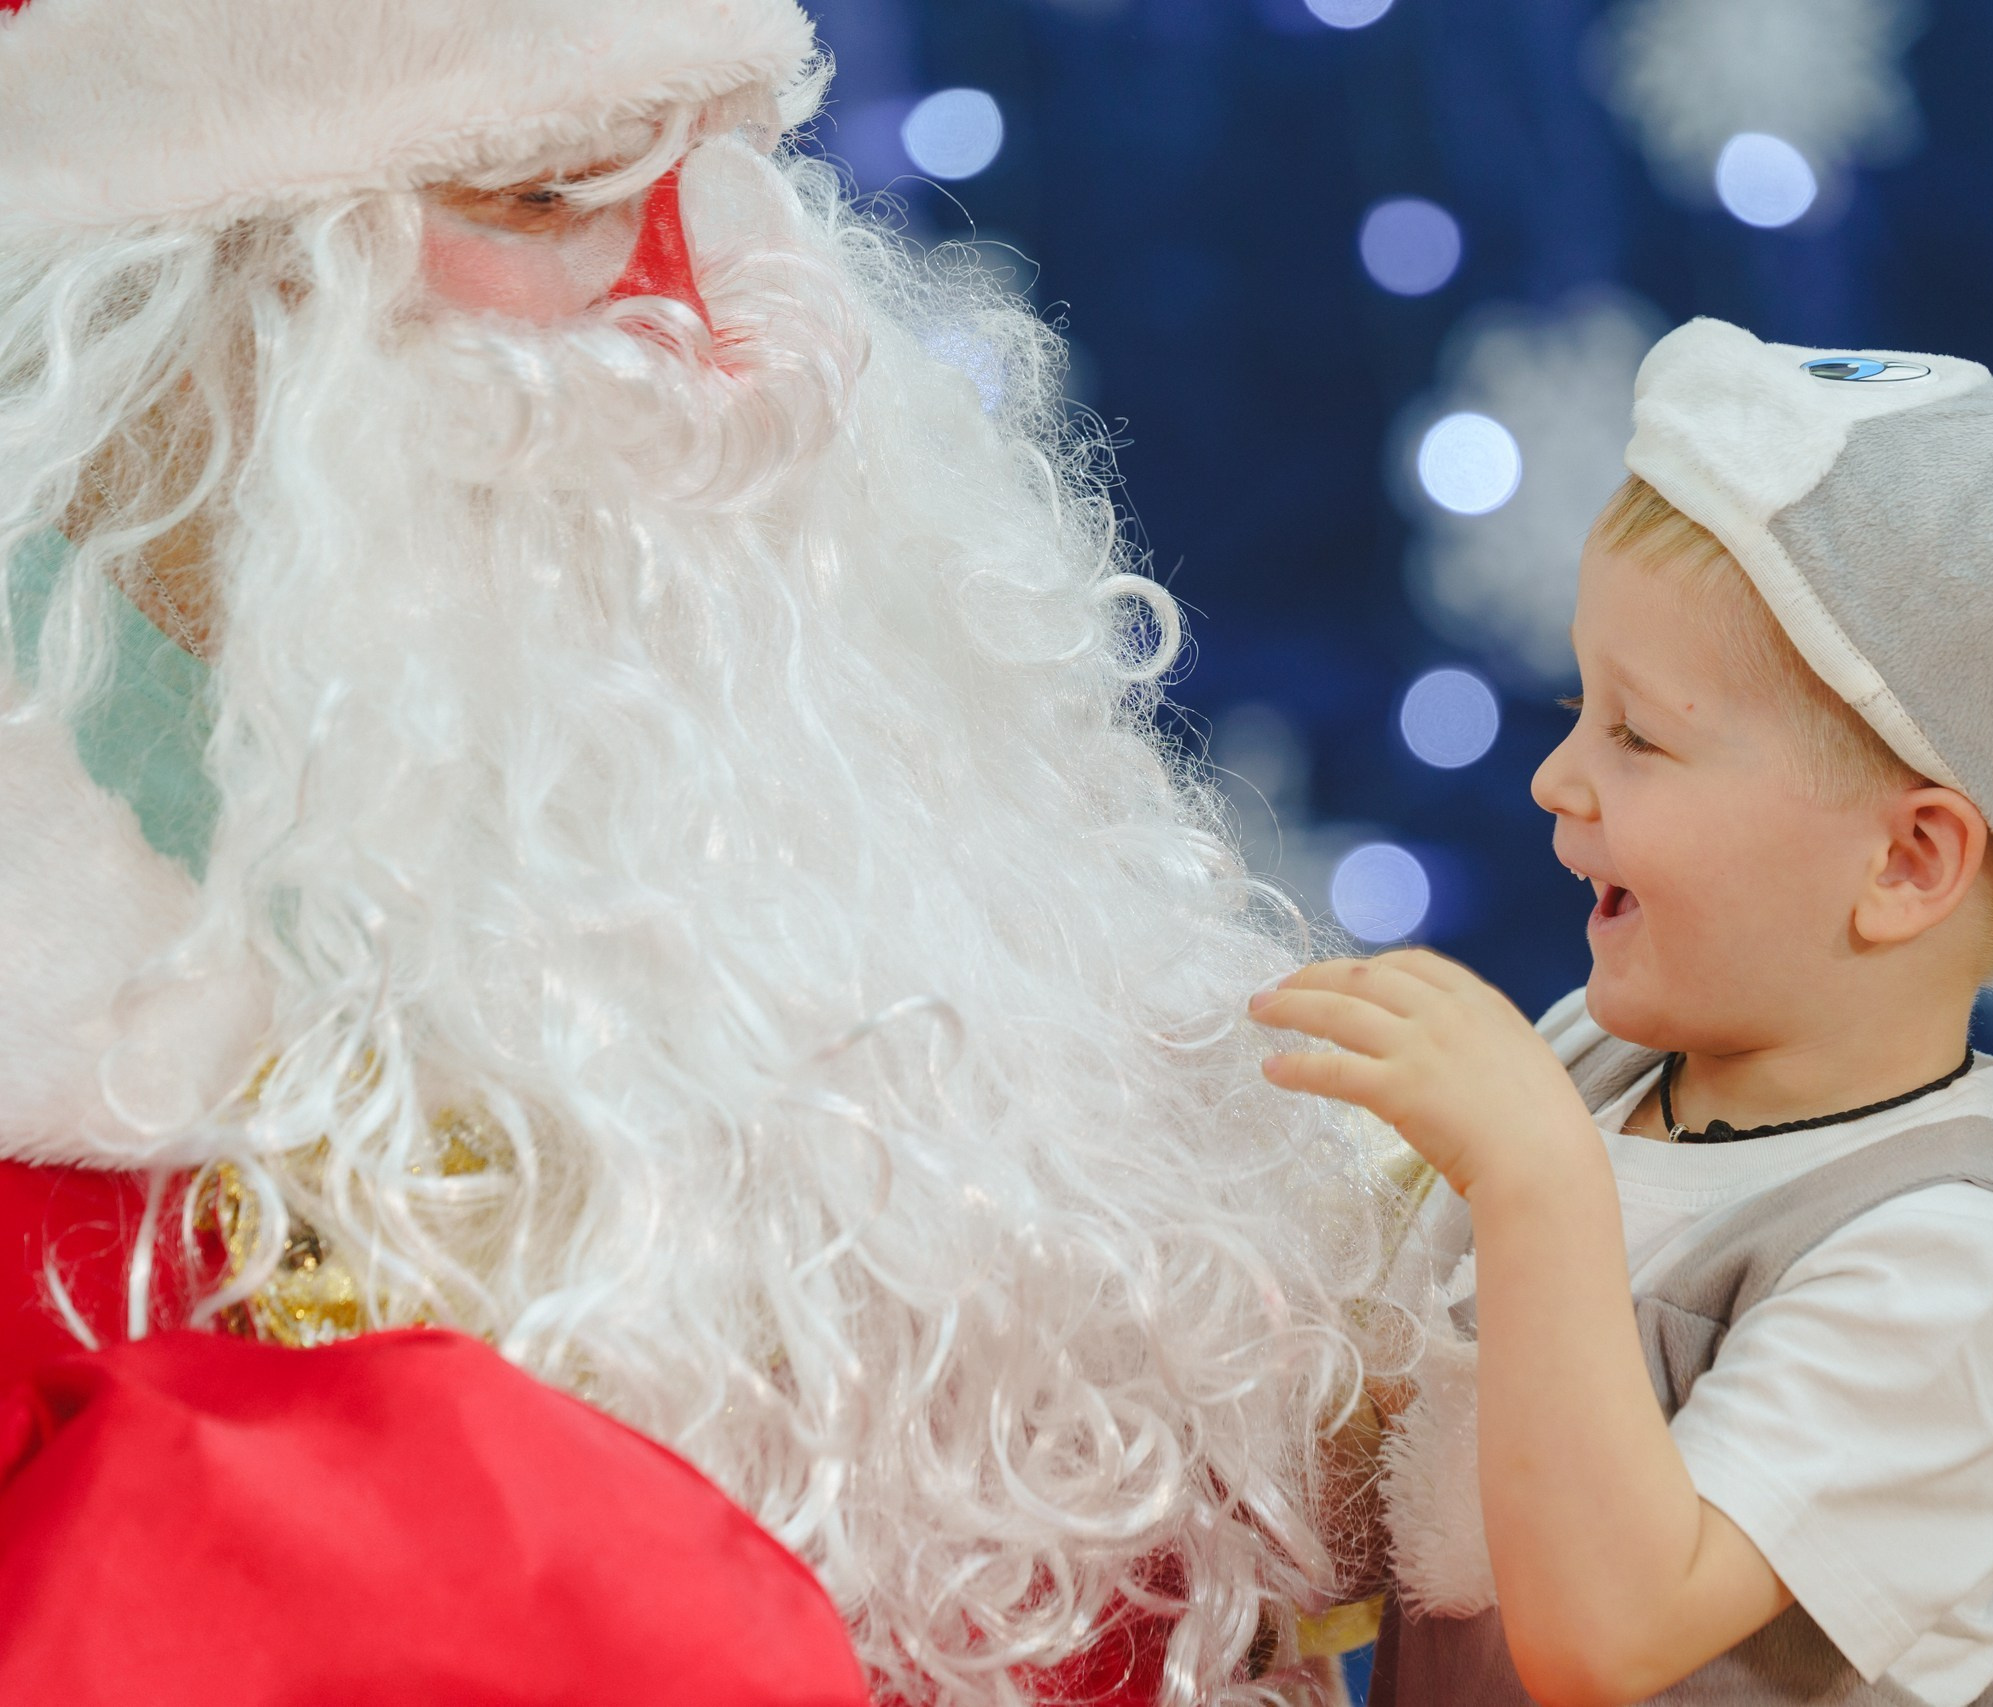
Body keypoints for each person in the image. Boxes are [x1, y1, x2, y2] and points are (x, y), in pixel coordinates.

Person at [0, 2, 1390, 1700]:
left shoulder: (859, 780)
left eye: (714, 160)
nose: (689, 297)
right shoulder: (51, 1091)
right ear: (193, 272)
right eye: (546, 194)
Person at [1255, 320, 1993, 1706]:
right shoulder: (1595, 1062)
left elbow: (1611, 1634)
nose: (1555, 780)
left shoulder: (1946, 1266)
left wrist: (1533, 1183)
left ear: (1906, 864)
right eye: (1581, 706)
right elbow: (1381, 1477)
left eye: (1639, 735)